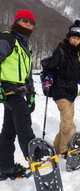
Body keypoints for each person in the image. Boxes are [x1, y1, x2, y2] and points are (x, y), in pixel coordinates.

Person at [0, 9, 36, 180]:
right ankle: (37, 157)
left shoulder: (26, 45)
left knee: (8, 130)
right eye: (25, 20)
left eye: (31, 22)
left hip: (19, 92)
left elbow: (28, 74)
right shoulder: (7, 38)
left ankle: (5, 167)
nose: (28, 24)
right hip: (8, 89)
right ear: (16, 21)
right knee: (23, 122)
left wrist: (32, 94)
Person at [42, 19, 80, 157]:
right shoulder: (61, 50)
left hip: (71, 91)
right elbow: (50, 69)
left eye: (78, 39)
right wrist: (48, 78)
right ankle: (74, 142)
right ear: (68, 37)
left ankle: (59, 148)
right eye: (73, 37)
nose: (75, 41)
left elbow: (76, 75)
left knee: (67, 121)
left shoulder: (77, 55)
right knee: (67, 121)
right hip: (60, 91)